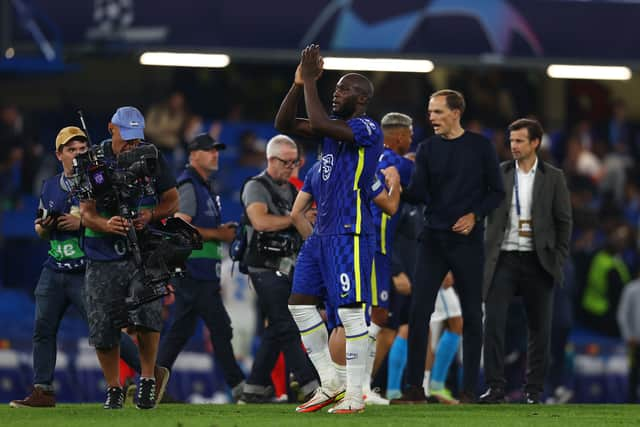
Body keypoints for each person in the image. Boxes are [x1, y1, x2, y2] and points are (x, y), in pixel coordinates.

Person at [276, 44, 386, 414]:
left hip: (350, 231)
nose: (335, 93)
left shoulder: (368, 127)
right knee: (300, 306)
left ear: (362, 98)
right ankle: (331, 381)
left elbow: (322, 123)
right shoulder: (332, 133)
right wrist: (297, 84)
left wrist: (311, 82)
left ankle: (355, 394)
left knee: (352, 313)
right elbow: (284, 125)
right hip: (321, 235)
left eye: (342, 89)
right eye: (333, 87)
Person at [8, 127, 141, 408]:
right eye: (71, 149)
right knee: (43, 329)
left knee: (106, 331)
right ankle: (42, 390)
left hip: (87, 268)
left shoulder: (99, 180)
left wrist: (81, 221)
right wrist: (45, 226)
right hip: (55, 266)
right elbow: (39, 229)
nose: (78, 153)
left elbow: (114, 219)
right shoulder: (50, 186)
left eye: (82, 148)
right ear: (59, 155)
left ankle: (151, 375)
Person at [394, 89, 504, 403]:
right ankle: (414, 389)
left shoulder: (480, 147)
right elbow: (419, 193)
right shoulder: (427, 149)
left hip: (467, 242)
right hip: (433, 239)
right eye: (430, 112)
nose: (432, 118)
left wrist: (475, 215)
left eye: (438, 112)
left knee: (471, 315)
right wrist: (396, 185)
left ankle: (469, 391)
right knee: (418, 313)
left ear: (456, 112)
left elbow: (496, 193)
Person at [80, 106, 178, 409]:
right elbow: (86, 212)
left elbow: (172, 201)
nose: (133, 144)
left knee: (148, 316)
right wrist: (106, 224)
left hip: (143, 248)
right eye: (127, 137)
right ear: (112, 128)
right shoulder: (93, 161)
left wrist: (149, 215)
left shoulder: (151, 155)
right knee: (103, 325)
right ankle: (114, 388)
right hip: (102, 251)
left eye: (137, 138)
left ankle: (147, 379)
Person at [479, 118, 572, 404]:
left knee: (539, 329)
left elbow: (564, 221)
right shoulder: (500, 172)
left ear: (535, 143)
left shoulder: (553, 177)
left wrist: (557, 258)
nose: (513, 146)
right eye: (511, 141)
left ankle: (534, 390)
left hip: (538, 260)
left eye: (519, 141)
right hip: (503, 258)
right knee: (493, 322)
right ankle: (496, 387)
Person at [157, 133, 245, 400]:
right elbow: (181, 227)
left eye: (216, 150)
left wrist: (218, 232)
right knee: (220, 327)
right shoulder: (188, 185)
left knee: (180, 333)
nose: (215, 154)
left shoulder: (204, 186)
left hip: (201, 271)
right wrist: (219, 234)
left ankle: (149, 383)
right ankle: (240, 385)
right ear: (193, 154)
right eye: (209, 150)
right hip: (193, 270)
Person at [239, 134, 319, 403]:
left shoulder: (293, 190)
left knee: (277, 326)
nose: (291, 167)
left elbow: (306, 225)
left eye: (295, 162)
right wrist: (295, 218)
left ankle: (255, 388)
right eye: (286, 162)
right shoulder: (256, 186)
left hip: (289, 265)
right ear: (271, 159)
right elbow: (260, 222)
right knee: (286, 324)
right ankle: (310, 385)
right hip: (263, 266)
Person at [363, 112, 415, 405]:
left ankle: (361, 384)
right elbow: (426, 184)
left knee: (379, 317)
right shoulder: (398, 164)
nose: (411, 140)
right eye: (409, 135)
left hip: (369, 246)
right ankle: (356, 383)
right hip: (379, 249)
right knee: (374, 317)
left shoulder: (371, 160)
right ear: (398, 136)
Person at [617, 274, 640, 403]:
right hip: (635, 342)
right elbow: (622, 314)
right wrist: (628, 336)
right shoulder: (631, 289)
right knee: (634, 374)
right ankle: (631, 404)